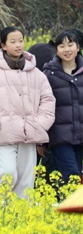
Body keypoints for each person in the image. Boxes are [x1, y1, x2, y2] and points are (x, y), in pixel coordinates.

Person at [0, 27, 56, 198]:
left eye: (20, 41)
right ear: (3, 45)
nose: (18, 45)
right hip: (4, 132)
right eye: (13, 42)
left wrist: (40, 123)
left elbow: (48, 100)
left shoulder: (37, 74)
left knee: (26, 179)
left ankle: (20, 216)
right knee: (6, 173)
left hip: (31, 132)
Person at [42, 30, 83, 183]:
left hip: (80, 135)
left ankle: (70, 205)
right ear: (56, 50)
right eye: (62, 46)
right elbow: (42, 106)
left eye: (70, 45)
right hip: (60, 135)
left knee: (77, 173)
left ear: (78, 47)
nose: (67, 50)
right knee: (71, 174)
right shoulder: (49, 74)